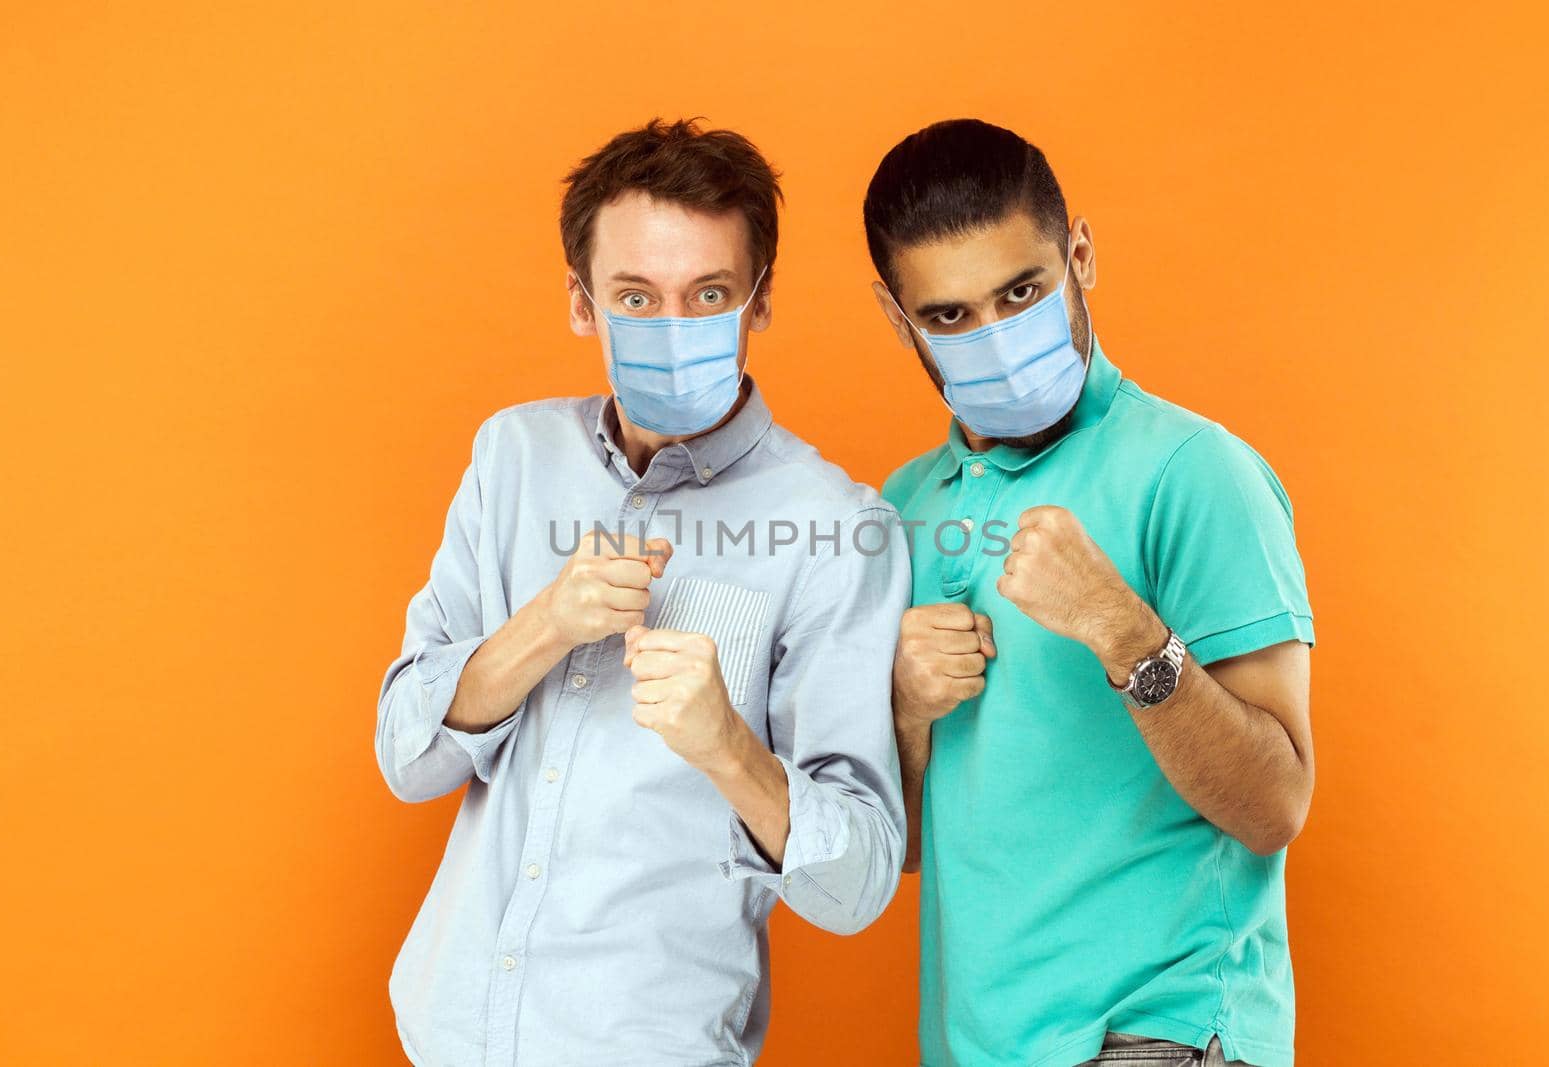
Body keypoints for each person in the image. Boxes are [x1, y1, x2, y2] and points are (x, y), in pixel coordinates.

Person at [375, 118, 907, 1066]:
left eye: (709, 294)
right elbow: (407, 759)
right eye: (636, 296)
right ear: (583, 303)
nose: (674, 331)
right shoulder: (513, 456)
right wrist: (543, 625)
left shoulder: (838, 528)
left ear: (761, 300)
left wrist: (729, 750)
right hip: (446, 1030)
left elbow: (858, 882)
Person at [867, 118, 1316, 1067]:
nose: (993, 337)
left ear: (1080, 253)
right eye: (948, 316)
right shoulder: (901, 506)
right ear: (895, 315)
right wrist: (906, 710)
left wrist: (1124, 633)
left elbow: (1276, 802)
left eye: (1021, 291)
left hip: (1158, 1033)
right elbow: (906, 847)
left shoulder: (1196, 472)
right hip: (976, 1041)